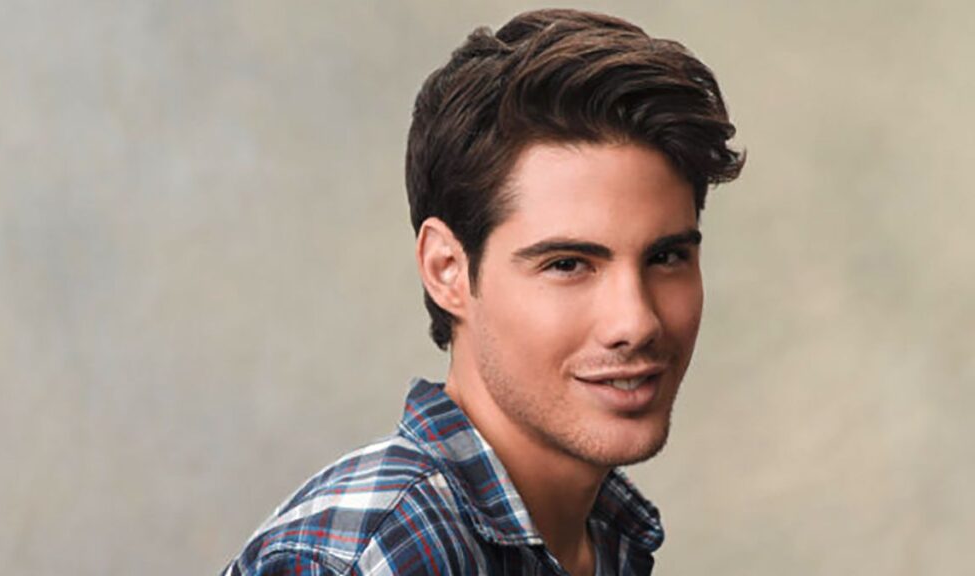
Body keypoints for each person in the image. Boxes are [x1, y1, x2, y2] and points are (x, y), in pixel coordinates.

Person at [223, 8, 743, 576]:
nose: (636, 322)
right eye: (568, 264)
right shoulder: (373, 556)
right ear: (446, 269)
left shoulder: (603, 538)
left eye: (666, 258)